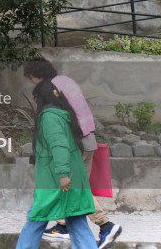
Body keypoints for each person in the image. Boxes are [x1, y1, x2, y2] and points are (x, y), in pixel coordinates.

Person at [23, 58, 122, 247]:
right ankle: (66, 226)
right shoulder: (66, 81)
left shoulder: (50, 88)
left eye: (30, 77)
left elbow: (58, 130)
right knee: (76, 192)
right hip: (87, 139)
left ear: (37, 75)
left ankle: (105, 224)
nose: (31, 82)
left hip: (75, 144)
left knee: (73, 189)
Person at [15, 80, 98, 249]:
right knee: (76, 219)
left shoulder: (49, 117)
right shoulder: (63, 114)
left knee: (36, 217)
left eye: (35, 98)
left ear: (39, 98)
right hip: (70, 177)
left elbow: (59, 146)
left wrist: (62, 174)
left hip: (56, 180)